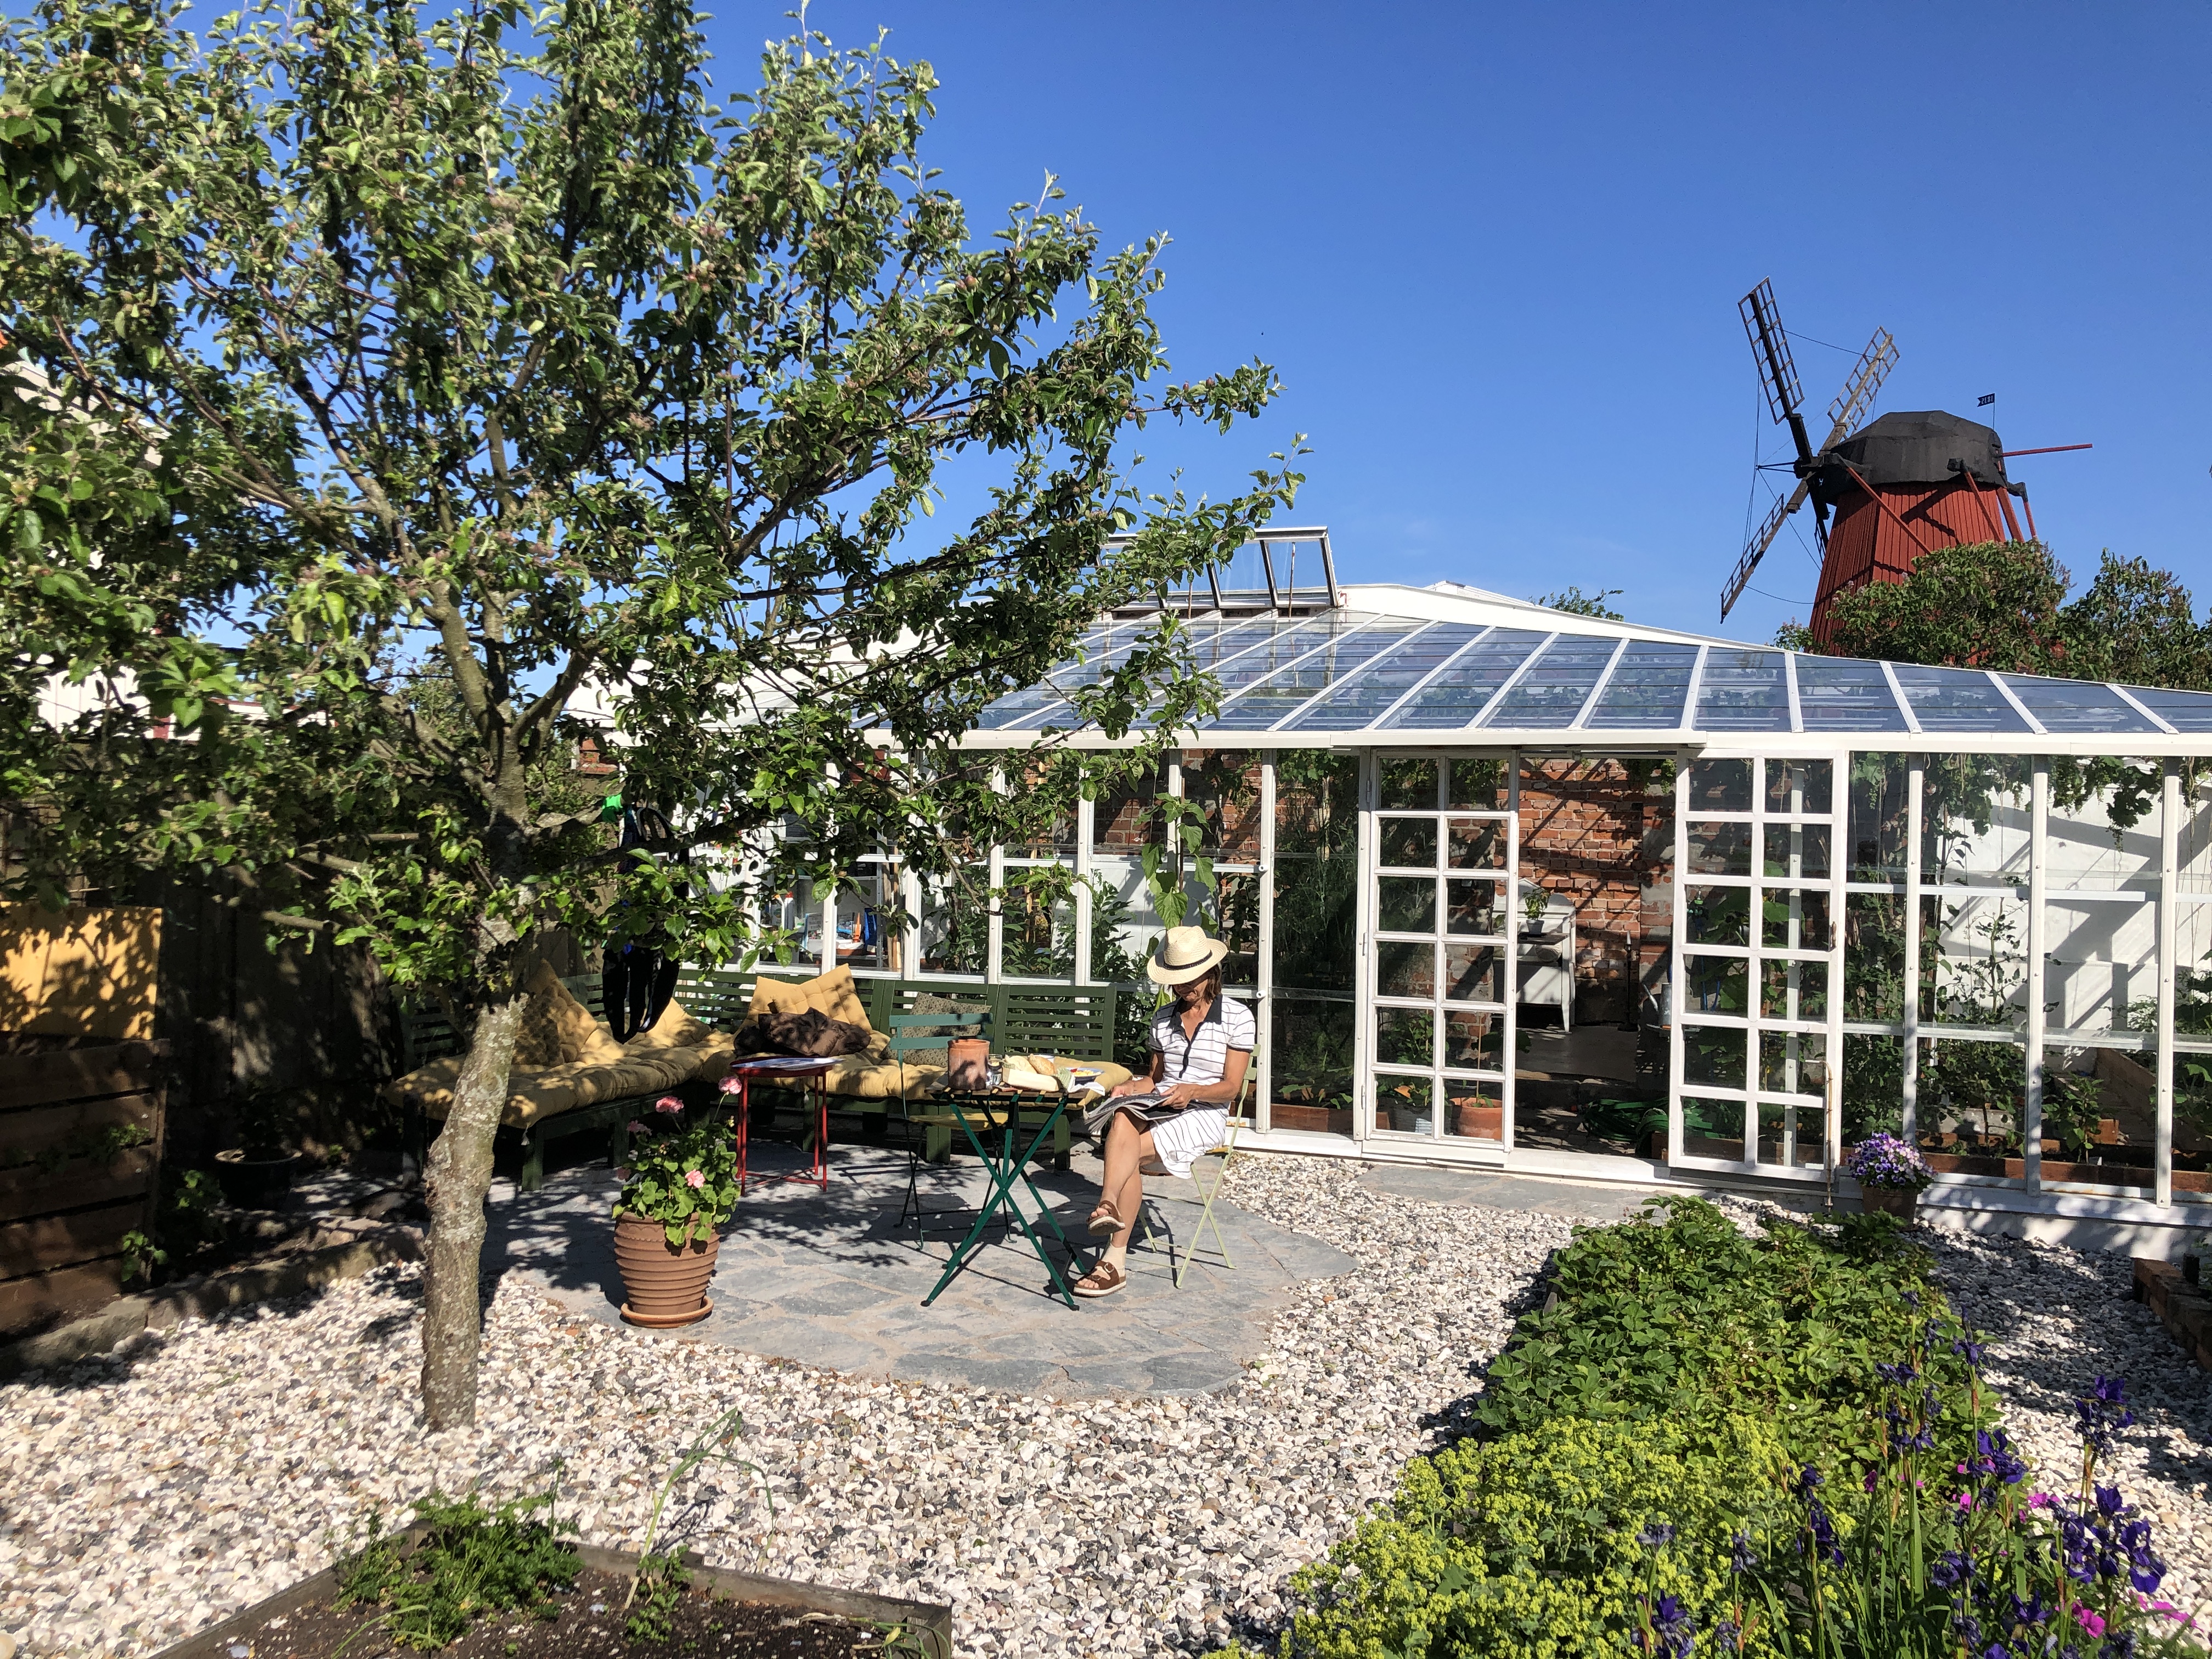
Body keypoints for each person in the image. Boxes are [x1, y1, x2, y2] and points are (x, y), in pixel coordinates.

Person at [1071, 925, 1253, 1300]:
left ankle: (1113, 1259)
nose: (1182, 988)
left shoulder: (1237, 1017)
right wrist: (1129, 1088)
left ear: (1211, 973)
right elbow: (1154, 1080)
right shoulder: (1163, 1019)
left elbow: (1231, 1088)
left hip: (1206, 1112)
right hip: (1161, 1105)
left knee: (1127, 1151)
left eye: (1189, 979)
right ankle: (1108, 1207)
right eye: (1176, 980)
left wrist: (1193, 1092)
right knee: (1123, 1116)